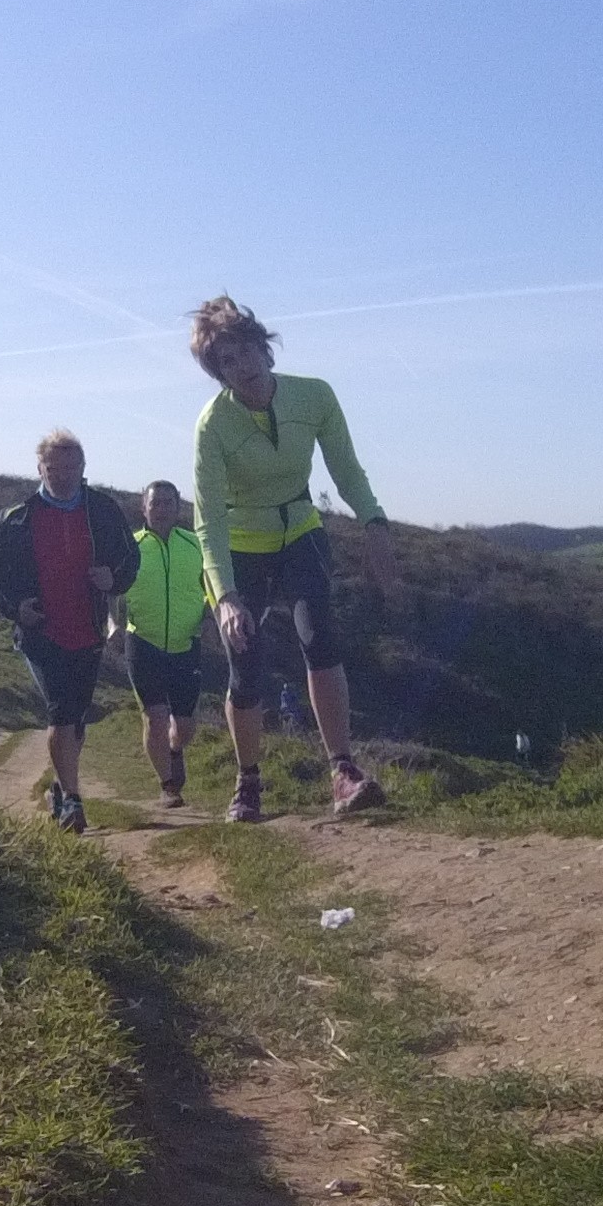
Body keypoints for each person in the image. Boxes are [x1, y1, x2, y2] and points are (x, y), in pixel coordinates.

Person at [187, 295, 397, 822]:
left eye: (246, 350)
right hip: (240, 546)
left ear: (265, 347)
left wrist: (374, 521)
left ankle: (343, 772)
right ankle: (248, 781)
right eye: (227, 361)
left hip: (300, 530)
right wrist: (226, 596)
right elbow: (207, 518)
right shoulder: (212, 425)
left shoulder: (314, 395)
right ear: (218, 374)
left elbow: (346, 469)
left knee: (319, 639)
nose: (242, 366)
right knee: (245, 666)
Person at [0, 429, 140, 835]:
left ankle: (59, 786)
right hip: (41, 632)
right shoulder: (16, 518)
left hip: (88, 629)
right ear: (40, 469)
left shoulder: (102, 509)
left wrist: (114, 578)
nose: (63, 475)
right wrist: (16, 608)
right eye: (54, 468)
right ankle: (72, 801)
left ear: (83, 467)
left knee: (76, 719)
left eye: (71, 467)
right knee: (61, 712)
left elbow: (130, 557)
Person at [116, 479, 211, 808]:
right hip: (143, 641)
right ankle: (168, 786)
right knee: (155, 717)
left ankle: (174, 749)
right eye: (155, 503)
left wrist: (210, 617)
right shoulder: (131, 547)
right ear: (143, 507)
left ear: (178, 507)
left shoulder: (195, 544)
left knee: (184, 725)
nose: (161, 509)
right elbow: (114, 591)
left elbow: (212, 585)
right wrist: (113, 626)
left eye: (168, 502)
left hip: (186, 644)